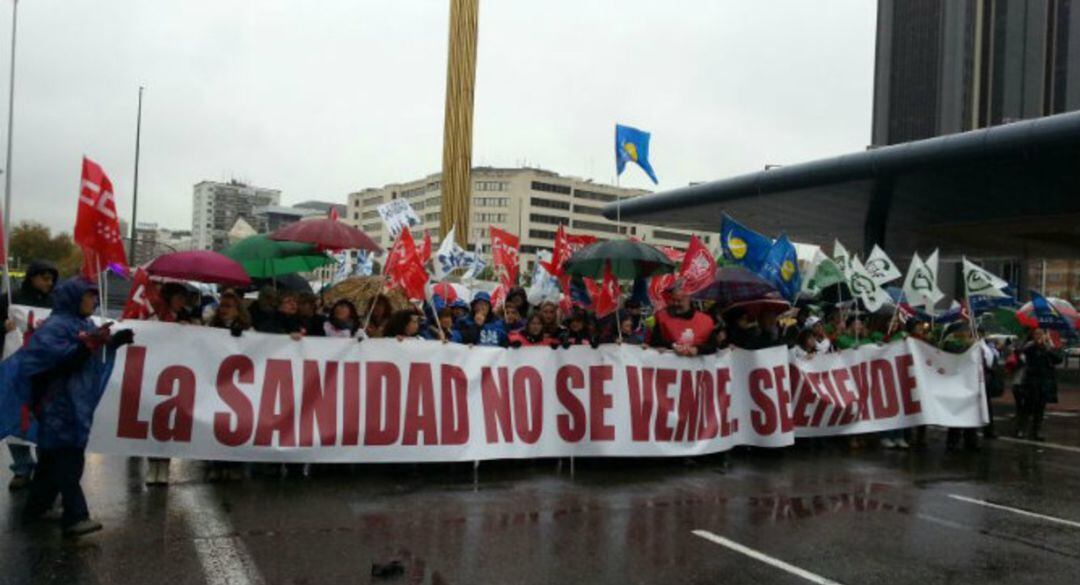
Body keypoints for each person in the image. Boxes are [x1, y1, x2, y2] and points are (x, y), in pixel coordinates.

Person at [11, 278, 135, 536]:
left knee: (50, 461)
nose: (94, 300)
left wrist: (113, 342)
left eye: (93, 296)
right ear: (73, 299)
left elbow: (90, 355)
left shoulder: (84, 324)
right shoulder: (55, 327)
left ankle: (36, 509)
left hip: (73, 404)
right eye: (88, 296)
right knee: (69, 459)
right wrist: (87, 345)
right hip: (57, 405)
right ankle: (75, 516)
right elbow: (54, 363)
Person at [1, 260, 58, 491]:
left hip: (46, 373)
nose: (49, 282)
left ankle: (45, 468)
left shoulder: (55, 303)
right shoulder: (10, 300)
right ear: (32, 278)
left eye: (51, 278)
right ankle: (22, 468)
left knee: (44, 418)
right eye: (44, 277)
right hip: (16, 370)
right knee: (17, 416)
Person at [205, 292, 250, 481]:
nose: (224, 310)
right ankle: (217, 464)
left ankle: (234, 464)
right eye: (222, 306)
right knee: (217, 424)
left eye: (229, 306)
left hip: (240, 386)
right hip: (216, 383)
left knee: (236, 426)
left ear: (238, 310)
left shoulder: (249, 329)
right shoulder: (210, 327)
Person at [1016, 328, 1062, 441]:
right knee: (1027, 407)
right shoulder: (1030, 347)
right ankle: (1021, 429)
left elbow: (1058, 359)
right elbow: (1021, 352)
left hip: (1044, 382)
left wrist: (1048, 347)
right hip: (1031, 381)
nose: (1039, 336)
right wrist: (1034, 344)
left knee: (1040, 409)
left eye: (1041, 334)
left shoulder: (1048, 348)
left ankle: (1036, 431)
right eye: (1036, 334)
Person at [650, 284, 713, 356]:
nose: (676, 304)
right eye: (673, 300)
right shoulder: (662, 317)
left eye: (679, 300)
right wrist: (672, 346)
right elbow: (654, 342)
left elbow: (713, 346)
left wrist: (697, 349)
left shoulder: (705, 321)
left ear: (688, 299)